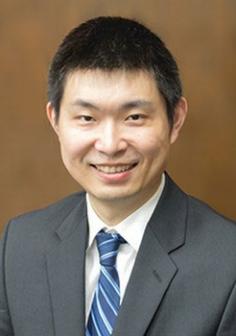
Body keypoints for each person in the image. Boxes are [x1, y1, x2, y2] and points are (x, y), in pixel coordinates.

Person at [1, 16, 236, 336]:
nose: (110, 145)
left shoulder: (228, 263)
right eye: (87, 117)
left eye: (134, 117)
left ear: (175, 119)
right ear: (55, 120)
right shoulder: (19, 245)